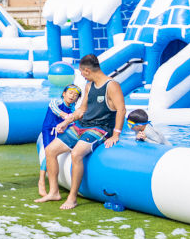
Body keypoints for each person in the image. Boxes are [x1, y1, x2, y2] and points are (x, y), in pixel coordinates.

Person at [36, 53, 126, 210]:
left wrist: (116, 134)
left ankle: (72, 198)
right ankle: (54, 192)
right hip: (82, 125)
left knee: (76, 154)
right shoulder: (89, 86)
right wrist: (65, 122)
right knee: (50, 150)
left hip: (100, 127)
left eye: (82, 72)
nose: (82, 76)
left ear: (86, 71)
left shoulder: (112, 85)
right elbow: (82, 109)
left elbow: (121, 110)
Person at [36, 84, 81, 196]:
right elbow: (56, 110)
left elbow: (74, 122)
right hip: (49, 130)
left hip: (62, 130)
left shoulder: (72, 108)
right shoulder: (56, 102)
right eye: (70, 93)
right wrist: (67, 117)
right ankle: (41, 181)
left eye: (76, 95)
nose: (72, 96)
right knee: (48, 153)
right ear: (64, 93)